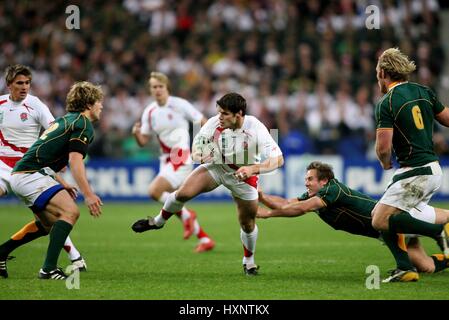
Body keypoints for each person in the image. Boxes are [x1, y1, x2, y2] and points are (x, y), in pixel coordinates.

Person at [132, 92, 284, 275]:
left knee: (247, 223)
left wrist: (252, 169)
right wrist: (204, 155)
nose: (220, 117)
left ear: (239, 114)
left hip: (244, 176)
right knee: (182, 194)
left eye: (225, 113)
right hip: (217, 167)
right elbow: (195, 150)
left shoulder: (256, 128)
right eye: (219, 112)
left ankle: (249, 262)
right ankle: (157, 222)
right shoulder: (214, 123)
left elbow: (278, 160)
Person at [257, 161, 449, 282]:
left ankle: (437, 232)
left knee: (440, 219)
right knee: (427, 267)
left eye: (310, 179)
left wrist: (268, 212)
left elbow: (300, 208)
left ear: (323, 181)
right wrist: (263, 198)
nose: (306, 182)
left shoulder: (332, 189)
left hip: (393, 223)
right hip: (386, 231)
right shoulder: (317, 194)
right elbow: (288, 203)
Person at [2, 81, 103, 280]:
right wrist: (89, 194)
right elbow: (75, 161)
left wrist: (62, 182)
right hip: (30, 174)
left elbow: (42, 154)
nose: (102, 107)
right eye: (100, 102)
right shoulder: (83, 124)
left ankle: (2, 252)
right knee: (70, 212)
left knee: (47, 225)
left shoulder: (66, 120)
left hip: (22, 174)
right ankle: (48, 269)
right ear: (89, 104)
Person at [372, 47, 449, 281]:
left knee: (379, 219)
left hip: (416, 171)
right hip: (432, 169)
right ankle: (407, 267)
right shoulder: (423, 91)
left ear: (384, 72)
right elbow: (447, 119)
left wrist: (385, 163)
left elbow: (383, 147)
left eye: (377, 70)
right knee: (390, 216)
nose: (376, 75)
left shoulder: (388, 102)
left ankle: (439, 231)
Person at [131, 71, 215, 253]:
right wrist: (136, 134)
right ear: (150, 90)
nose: (157, 90)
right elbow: (143, 141)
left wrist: (205, 145)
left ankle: (187, 215)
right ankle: (205, 238)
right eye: (154, 87)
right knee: (172, 201)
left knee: (155, 191)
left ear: (166, 87)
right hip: (165, 159)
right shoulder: (150, 111)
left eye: (160, 86)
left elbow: (204, 122)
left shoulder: (179, 104)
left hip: (180, 155)